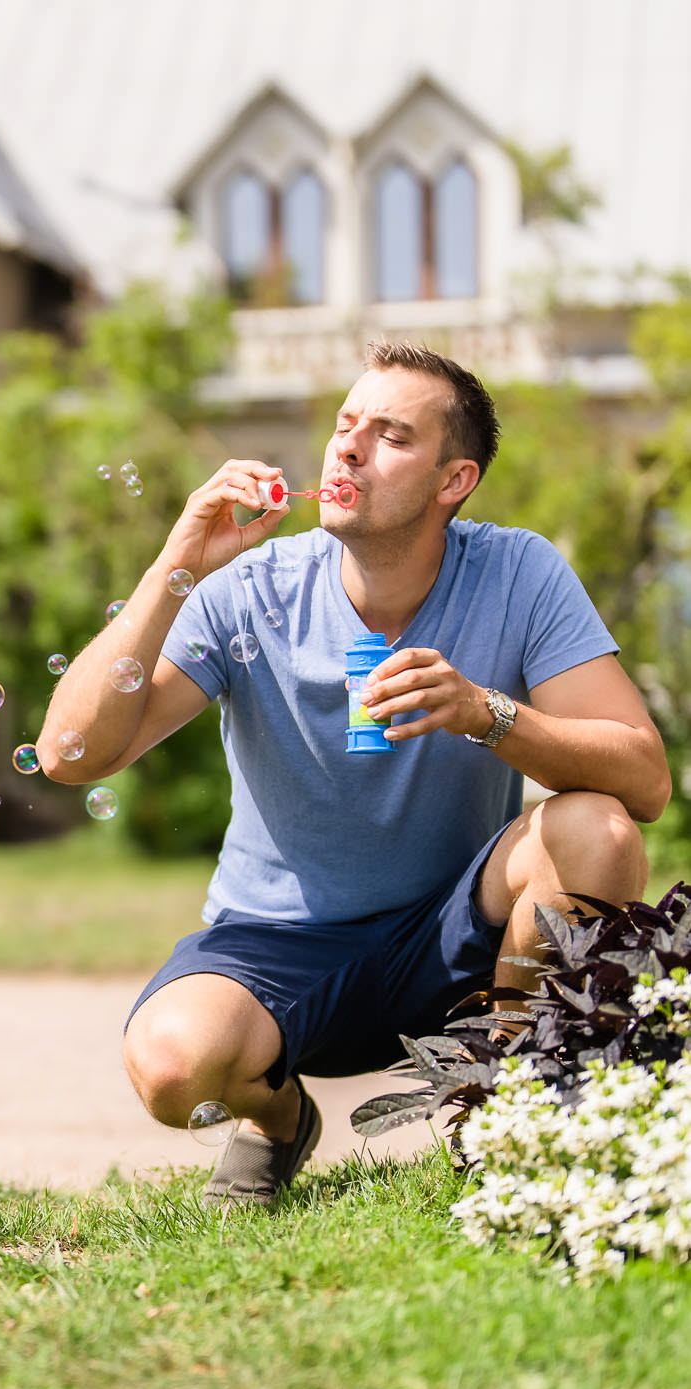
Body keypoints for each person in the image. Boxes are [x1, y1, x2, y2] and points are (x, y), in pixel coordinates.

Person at [41, 341, 671, 1210]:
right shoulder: (251, 588)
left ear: (455, 481)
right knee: (174, 1069)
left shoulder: (517, 571)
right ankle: (278, 1120)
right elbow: (72, 757)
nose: (347, 448)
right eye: (345, 426)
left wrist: (485, 712)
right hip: (278, 945)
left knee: (597, 830)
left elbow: (643, 778)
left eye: (390, 435)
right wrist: (179, 564)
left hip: (456, 936)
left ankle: (500, 1109)